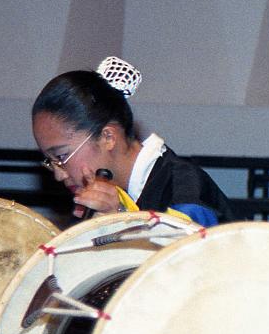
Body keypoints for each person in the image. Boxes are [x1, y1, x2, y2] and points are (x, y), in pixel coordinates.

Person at [32, 57, 234, 227]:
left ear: (107, 137)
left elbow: (175, 268)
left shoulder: (186, 195)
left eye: (61, 156)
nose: (58, 174)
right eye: (50, 161)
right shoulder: (99, 198)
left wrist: (118, 219)